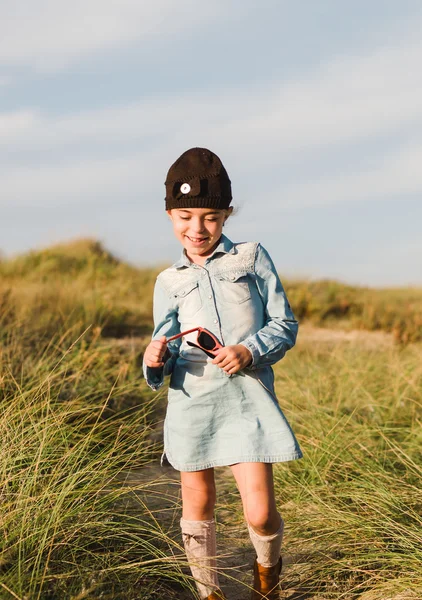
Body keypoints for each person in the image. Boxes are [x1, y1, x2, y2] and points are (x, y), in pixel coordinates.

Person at [143, 147, 302, 600]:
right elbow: (165, 344)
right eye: (185, 216)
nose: (197, 229)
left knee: (260, 513)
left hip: (247, 401)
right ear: (170, 214)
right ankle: (208, 592)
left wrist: (249, 351)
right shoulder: (167, 280)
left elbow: (284, 324)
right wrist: (154, 360)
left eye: (211, 217)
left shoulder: (252, 258)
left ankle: (267, 578)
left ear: (227, 215)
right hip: (191, 402)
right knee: (198, 505)